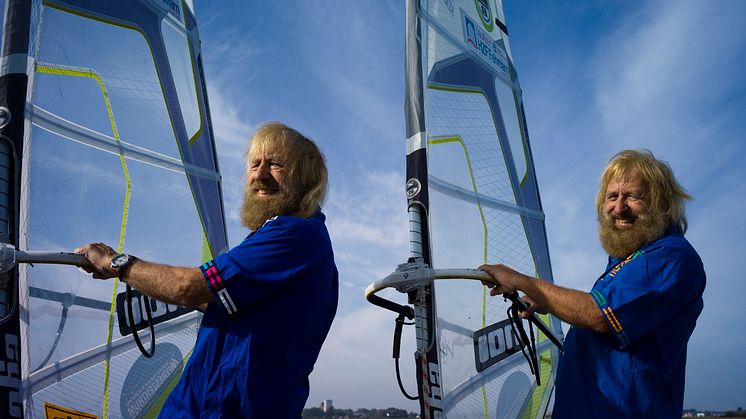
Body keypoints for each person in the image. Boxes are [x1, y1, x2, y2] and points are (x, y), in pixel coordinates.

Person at [75, 122, 339, 418]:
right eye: (255, 164)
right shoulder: (289, 238)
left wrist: (116, 262)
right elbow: (214, 298)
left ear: (305, 179)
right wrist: (146, 280)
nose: (259, 174)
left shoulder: (296, 235)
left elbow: (188, 287)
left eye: (275, 164)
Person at [480, 149, 705, 418]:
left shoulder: (669, 255)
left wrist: (523, 282)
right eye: (612, 197)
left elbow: (599, 315)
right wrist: (547, 302)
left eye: (632, 196)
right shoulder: (628, 261)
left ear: (662, 204)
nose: (619, 207)